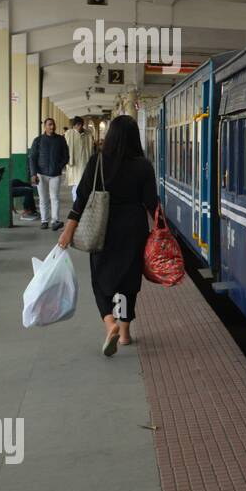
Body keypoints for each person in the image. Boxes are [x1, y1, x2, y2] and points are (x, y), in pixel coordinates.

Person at [56, 114, 159, 357]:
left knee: (101, 279)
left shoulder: (98, 162)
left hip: (102, 229)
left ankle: (109, 322)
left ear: (110, 136)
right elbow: (151, 203)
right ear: (136, 137)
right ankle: (124, 334)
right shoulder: (143, 165)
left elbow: (81, 198)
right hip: (133, 230)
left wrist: (68, 230)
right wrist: (162, 232)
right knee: (128, 281)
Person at [29, 117, 68, 230]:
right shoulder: (38, 140)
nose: (52, 127)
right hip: (41, 174)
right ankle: (44, 220)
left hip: (55, 174)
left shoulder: (60, 139)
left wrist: (59, 166)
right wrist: (33, 174)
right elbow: (32, 158)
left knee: (55, 197)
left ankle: (55, 221)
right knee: (43, 198)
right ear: (45, 126)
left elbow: (66, 156)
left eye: (53, 124)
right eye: (50, 124)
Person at [63, 116, 94, 201]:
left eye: (81, 124)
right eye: (77, 125)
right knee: (76, 183)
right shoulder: (69, 133)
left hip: (85, 162)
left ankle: (80, 201)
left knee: (83, 182)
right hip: (74, 163)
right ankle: (76, 201)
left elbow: (92, 147)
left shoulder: (88, 133)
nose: (80, 126)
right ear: (74, 125)